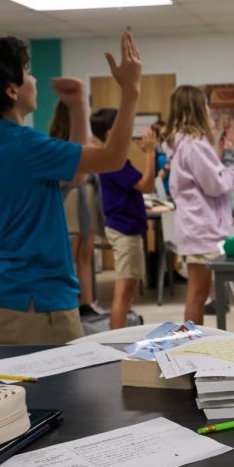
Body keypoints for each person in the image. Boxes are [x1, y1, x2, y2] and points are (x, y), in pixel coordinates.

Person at [0, 32, 143, 345]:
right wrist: (131, 90)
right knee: (58, 391)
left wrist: (77, 106)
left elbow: (78, 177)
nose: (35, 79)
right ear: (12, 90)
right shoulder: (24, 145)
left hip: (12, 290)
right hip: (37, 295)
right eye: (28, 72)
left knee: (36, 384)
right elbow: (112, 158)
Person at [164, 85, 234, 324]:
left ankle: (192, 344)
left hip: (197, 225)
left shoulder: (181, 144)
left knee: (198, 293)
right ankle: (191, 347)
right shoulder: (193, 144)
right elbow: (216, 184)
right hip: (201, 227)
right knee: (198, 294)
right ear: (198, 107)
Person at [90, 109, 156, 330]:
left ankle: (119, 335)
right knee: (124, 289)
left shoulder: (114, 159)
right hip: (123, 228)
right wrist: (150, 153)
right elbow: (146, 185)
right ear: (112, 133)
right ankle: (115, 341)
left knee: (128, 288)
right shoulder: (113, 160)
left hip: (125, 226)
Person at [49, 100, 105, 318]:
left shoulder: (86, 137)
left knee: (86, 253)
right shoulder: (57, 140)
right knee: (71, 253)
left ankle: (87, 303)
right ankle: (70, 303)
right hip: (70, 197)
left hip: (88, 196)